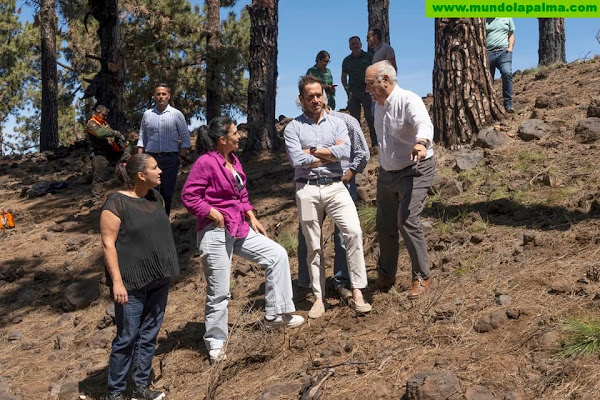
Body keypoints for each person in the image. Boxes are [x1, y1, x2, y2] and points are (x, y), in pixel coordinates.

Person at [181, 116, 304, 364]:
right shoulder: (206, 163)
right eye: (235, 134)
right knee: (220, 290)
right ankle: (216, 341)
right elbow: (189, 196)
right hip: (215, 232)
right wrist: (212, 212)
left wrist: (252, 216)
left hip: (238, 227)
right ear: (222, 139)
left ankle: (276, 315)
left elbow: (242, 193)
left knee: (277, 255)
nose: (239, 137)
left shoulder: (234, 160)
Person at [284, 75, 371, 319]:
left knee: (353, 232)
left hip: (335, 186)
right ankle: (319, 298)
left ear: (325, 96)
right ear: (301, 99)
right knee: (313, 244)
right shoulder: (293, 128)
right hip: (307, 188)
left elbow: (345, 152)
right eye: (310, 96)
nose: (315, 100)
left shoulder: (338, 122)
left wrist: (311, 151)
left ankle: (357, 291)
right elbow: (296, 160)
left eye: (319, 95)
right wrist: (329, 155)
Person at [100, 153, 180, 400]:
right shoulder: (115, 203)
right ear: (140, 175)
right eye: (155, 168)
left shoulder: (155, 197)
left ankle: (140, 387)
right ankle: (115, 392)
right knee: (127, 337)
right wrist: (117, 283)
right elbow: (108, 245)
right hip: (130, 284)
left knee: (149, 334)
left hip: (158, 278)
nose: (160, 171)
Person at [365, 61, 435, 299]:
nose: (368, 89)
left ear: (385, 80)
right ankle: (386, 277)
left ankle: (422, 276)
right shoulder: (378, 106)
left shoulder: (408, 99)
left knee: (407, 220)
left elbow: (423, 124)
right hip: (386, 174)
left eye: (370, 84)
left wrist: (421, 142)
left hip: (414, 169)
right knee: (385, 227)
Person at [137, 84, 191, 216]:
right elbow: (142, 138)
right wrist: (139, 160)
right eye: (158, 94)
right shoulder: (147, 114)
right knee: (150, 192)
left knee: (167, 192)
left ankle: (164, 222)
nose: (161, 97)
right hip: (150, 159)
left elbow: (185, 138)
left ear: (169, 96)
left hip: (170, 159)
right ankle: (151, 221)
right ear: (154, 96)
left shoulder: (176, 114)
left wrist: (180, 157)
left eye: (164, 94)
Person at [87, 105, 129, 207]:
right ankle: (96, 199)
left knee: (127, 156)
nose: (105, 117)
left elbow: (111, 136)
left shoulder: (105, 123)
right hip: (100, 153)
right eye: (103, 115)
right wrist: (116, 133)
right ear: (97, 112)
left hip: (111, 151)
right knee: (99, 176)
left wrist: (120, 142)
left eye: (106, 115)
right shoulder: (91, 123)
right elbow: (100, 133)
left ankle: (131, 185)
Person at [342, 36, 377, 147]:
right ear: (349, 47)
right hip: (353, 93)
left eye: (356, 43)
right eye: (352, 44)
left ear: (361, 44)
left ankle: (375, 145)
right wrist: (347, 89)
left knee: (370, 117)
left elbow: (375, 72)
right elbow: (343, 76)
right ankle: (357, 146)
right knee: (354, 121)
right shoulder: (346, 60)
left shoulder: (369, 57)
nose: (355, 45)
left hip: (367, 92)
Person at [486, 18, 515, 113]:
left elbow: (511, 34)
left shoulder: (507, 17)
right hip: (487, 53)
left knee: (507, 73)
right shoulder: (483, 19)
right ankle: (489, 105)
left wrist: (510, 49)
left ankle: (508, 104)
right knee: (488, 79)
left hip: (504, 52)